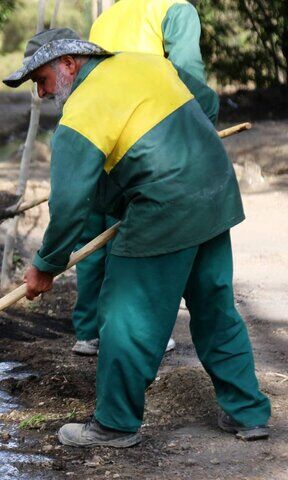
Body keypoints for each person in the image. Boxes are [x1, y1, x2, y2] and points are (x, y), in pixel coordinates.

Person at [3, 28, 271, 447]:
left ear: (69, 64)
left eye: (41, 81)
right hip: (214, 189)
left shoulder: (83, 110)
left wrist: (46, 265)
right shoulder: (145, 62)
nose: (41, 93)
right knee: (214, 306)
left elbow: (71, 202)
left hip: (166, 206)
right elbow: (207, 101)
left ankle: (114, 425)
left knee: (126, 314)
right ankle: (248, 413)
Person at [70, 0, 208, 356]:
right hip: (146, 136)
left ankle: (87, 333)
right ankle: (144, 334)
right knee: (133, 240)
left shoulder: (106, 17)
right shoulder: (175, 8)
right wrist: (200, 127)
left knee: (93, 235)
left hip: (102, 131)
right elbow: (188, 71)